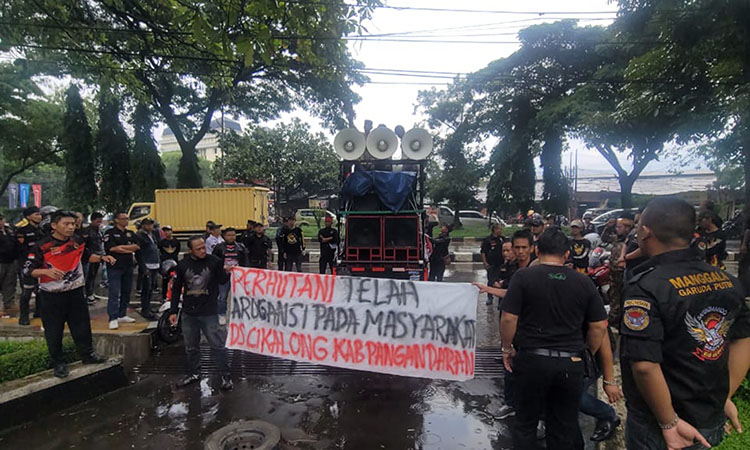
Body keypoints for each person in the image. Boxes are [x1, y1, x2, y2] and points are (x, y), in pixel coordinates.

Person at [620, 197, 750, 450]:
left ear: (645, 232)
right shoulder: (728, 282)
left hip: (659, 422)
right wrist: (724, 396)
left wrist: (669, 423)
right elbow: (743, 339)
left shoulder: (646, 287)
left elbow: (645, 366)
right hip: (708, 417)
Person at [496, 227, 608, 450]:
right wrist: (586, 353)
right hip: (570, 363)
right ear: (567, 254)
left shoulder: (523, 277)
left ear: (536, 250)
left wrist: (507, 349)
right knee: (563, 426)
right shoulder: (583, 282)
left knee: (526, 423)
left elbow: (509, 318)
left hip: (531, 361)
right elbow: (598, 326)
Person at [24, 210, 114, 378]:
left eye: (73, 224)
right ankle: (58, 363)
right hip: (52, 296)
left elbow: (86, 257)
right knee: (54, 330)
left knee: (82, 326)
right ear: (54, 225)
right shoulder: (42, 246)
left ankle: (88, 355)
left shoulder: (78, 241)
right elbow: (27, 270)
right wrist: (45, 272)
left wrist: (103, 258)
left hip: (75, 292)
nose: (71, 227)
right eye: (66, 224)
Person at [169, 236, 233, 390]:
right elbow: (176, 288)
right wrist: (173, 311)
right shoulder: (183, 265)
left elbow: (222, 281)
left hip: (209, 312)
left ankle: (225, 376)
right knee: (191, 347)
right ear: (190, 250)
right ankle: (193, 373)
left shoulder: (214, 261)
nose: (203, 251)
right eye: (198, 249)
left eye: (203, 247)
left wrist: (228, 272)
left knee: (217, 345)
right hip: (188, 313)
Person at [104, 211, 140, 330]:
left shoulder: (130, 233)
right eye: (123, 218)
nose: (126, 220)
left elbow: (137, 246)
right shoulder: (110, 233)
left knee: (126, 291)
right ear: (117, 220)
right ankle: (113, 318)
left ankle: (122, 314)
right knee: (114, 292)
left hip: (128, 265)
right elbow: (112, 248)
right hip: (115, 266)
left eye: (127, 218)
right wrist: (128, 249)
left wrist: (122, 248)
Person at [211, 227, 248, 325]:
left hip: (238, 277)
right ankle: (222, 314)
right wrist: (223, 268)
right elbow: (213, 262)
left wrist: (241, 270)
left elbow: (246, 262)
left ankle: (240, 315)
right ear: (224, 236)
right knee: (222, 297)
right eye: (229, 235)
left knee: (240, 297)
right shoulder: (219, 248)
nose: (231, 237)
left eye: (233, 235)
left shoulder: (241, 247)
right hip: (224, 277)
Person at [16, 206, 44, 325]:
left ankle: (39, 312)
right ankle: (24, 316)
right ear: (28, 216)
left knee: (40, 290)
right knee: (27, 291)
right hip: (27, 263)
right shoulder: (22, 230)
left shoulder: (41, 230)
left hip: (40, 263)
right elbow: (19, 249)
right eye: (36, 214)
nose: (39, 216)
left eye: (39, 214)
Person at [135, 218, 159, 321]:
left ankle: (148, 307)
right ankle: (145, 309)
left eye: (151, 224)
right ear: (143, 225)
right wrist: (143, 266)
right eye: (147, 225)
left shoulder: (152, 235)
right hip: (147, 265)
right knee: (146, 288)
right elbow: (139, 253)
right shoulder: (140, 236)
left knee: (151, 288)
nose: (150, 227)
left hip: (154, 264)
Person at [480, 223, 505, 306]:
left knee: (500, 282)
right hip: (491, 264)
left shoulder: (502, 239)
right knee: (491, 281)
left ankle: (500, 300)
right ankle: (489, 297)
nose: (501, 231)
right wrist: (485, 263)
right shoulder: (487, 240)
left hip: (500, 264)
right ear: (495, 230)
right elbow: (483, 252)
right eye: (499, 229)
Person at [83, 212, 105, 304]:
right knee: (89, 275)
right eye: (97, 221)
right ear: (92, 220)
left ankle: (91, 292)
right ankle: (88, 294)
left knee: (94, 275)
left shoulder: (99, 231)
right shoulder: (87, 231)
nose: (99, 223)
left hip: (98, 255)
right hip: (90, 256)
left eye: (100, 221)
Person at [0, 213, 18, 316]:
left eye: (1, 220)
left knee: (10, 285)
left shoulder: (9, 231)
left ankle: (9, 308)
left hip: (11, 261)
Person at [158, 225, 180, 299]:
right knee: (165, 281)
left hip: (174, 263)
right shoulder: (162, 242)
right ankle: (164, 296)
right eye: (165, 231)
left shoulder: (176, 241)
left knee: (175, 280)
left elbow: (177, 251)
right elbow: (160, 251)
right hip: (165, 263)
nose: (167, 232)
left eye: (168, 230)